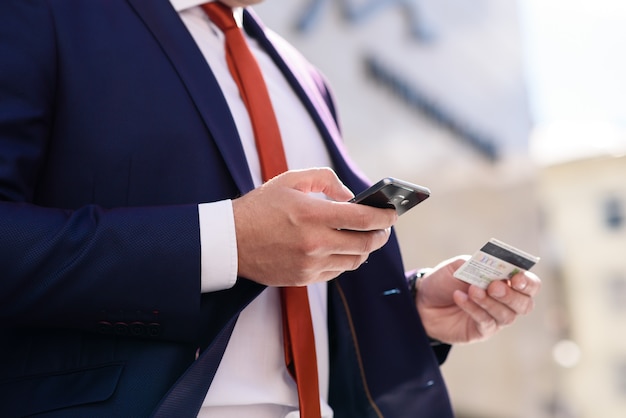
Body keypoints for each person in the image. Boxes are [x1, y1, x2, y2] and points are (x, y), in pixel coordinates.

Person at [0, 0, 541, 417]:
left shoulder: (301, 72)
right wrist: (225, 242)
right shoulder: (44, 13)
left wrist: (410, 311)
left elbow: (296, 280)